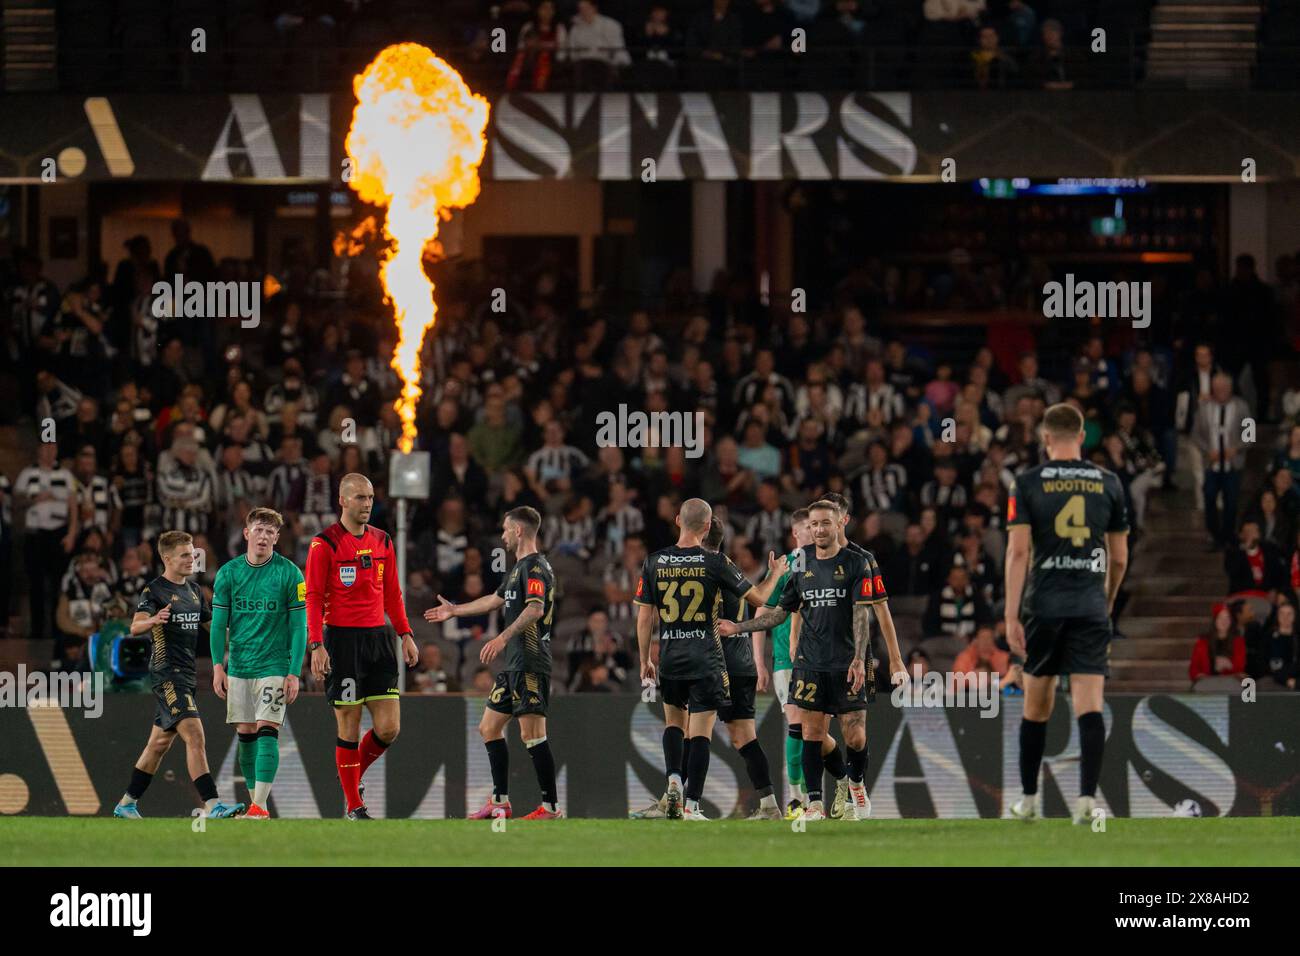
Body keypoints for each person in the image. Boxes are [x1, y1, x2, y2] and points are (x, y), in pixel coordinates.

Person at [721, 499, 907, 821]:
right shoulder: (801, 563)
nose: (819, 529)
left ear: (840, 524)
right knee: (811, 732)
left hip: (848, 660)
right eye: (814, 524)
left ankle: (856, 784)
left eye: (824, 523)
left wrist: (863, 658)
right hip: (809, 662)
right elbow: (781, 610)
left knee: (855, 736)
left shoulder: (857, 563)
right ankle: (814, 805)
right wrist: (739, 627)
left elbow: (863, 614)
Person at [1005, 403, 1129, 824]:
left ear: (1044, 439)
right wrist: (1106, 601)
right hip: (1091, 605)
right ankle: (1087, 803)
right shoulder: (1109, 482)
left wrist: (1009, 615)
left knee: (1036, 707)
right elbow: (1120, 558)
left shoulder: (1026, 482)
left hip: (1044, 606)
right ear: (1081, 437)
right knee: (1089, 705)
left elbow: (1019, 551)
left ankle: (1028, 801)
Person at [634, 497, 770, 820]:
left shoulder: (654, 561)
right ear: (708, 526)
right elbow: (760, 598)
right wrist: (775, 573)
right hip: (706, 658)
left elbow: (644, 618)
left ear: (678, 520)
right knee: (701, 733)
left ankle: (673, 783)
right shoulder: (716, 562)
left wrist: (644, 660)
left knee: (673, 724)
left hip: (670, 657)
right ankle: (692, 805)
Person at [425, 506, 562, 820]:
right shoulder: (517, 569)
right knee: (489, 727)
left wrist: (502, 637)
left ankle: (551, 807)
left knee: (533, 735)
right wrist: (455, 611)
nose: (502, 535)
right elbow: (494, 599)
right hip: (514, 664)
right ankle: (500, 801)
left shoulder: (536, 567)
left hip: (530, 660)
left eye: (505, 529)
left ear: (517, 531)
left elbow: (535, 609)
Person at [306, 473, 417, 820]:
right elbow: (312, 597)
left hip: (378, 640)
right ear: (342, 500)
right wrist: (316, 645)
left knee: (389, 728)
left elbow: (393, 594)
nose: (366, 504)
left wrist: (405, 634)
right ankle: (355, 805)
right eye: (359, 498)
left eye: (369, 497)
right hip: (342, 641)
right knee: (349, 727)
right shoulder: (324, 544)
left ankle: (352, 780)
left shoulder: (383, 540)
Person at [114, 531, 244, 819]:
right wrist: (153, 619)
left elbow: (215, 629)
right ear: (167, 558)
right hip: (166, 673)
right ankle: (213, 805)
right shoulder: (155, 590)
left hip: (186, 674)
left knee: (158, 744)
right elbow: (134, 627)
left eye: (193, 553)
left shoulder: (195, 591)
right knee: (195, 735)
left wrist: (245, 637)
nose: (192, 558)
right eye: (185, 554)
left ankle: (126, 803)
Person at [210, 508, 307, 819]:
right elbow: (218, 624)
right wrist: (217, 666)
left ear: (277, 538)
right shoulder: (228, 573)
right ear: (246, 533)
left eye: (270, 532)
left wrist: (293, 672)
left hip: (274, 666)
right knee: (246, 733)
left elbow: (298, 627)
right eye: (259, 530)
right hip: (239, 665)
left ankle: (258, 806)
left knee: (267, 730)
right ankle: (259, 807)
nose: (264, 536)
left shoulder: (290, 574)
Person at [1189, 603, 1247, 685]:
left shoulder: (1238, 641)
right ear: (1215, 620)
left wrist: (1229, 665)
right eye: (1221, 618)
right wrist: (1199, 676)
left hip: (1230, 683)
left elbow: (1240, 668)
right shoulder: (1203, 642)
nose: (1224, 621)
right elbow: (1193, 668)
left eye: (1227, 618)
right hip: (1207, 683)